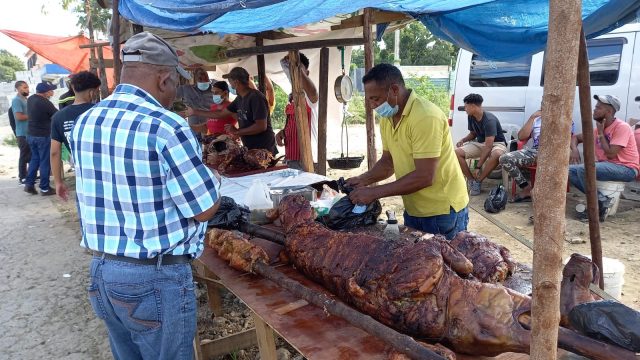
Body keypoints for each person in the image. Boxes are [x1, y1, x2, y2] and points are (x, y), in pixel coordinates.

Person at [70, 32, 220, 359]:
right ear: (164, 79)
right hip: (154, 277)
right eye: (175, 85)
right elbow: (205, 208)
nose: (174, 94)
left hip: (104, 270)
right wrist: (214, 178)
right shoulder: (166, 125)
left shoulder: (86, 121)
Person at [347, 64, 469, 240]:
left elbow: (425, 176)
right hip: (414, 208)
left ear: (394, 90)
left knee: (446, 264)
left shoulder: (426, 117)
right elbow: (389, 163)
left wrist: (374, 192)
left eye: (376, 99)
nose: (373, 106)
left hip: (442, 211)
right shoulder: (387, 119)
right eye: (369, 100)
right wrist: (363, 179)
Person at [569, 95, 639, 221]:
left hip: (626, 168)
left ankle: (598, 206)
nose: (594, 110)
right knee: (568, 171)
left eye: (598, 108)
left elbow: (611, 154)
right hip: (609, 166)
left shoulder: (621, 127)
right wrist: (574, 150)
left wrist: (601, 134)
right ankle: (602, 201)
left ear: (609, 112)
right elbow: (575, 138)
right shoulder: (597, 130)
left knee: (583, 169)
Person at [188, 67, 277, 155]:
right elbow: (221, 114)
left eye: (230, 82)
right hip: (250, 148)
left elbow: (261, 126)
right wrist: (195, 112)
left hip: (264, 149)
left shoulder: (255, 97)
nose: (230, 85)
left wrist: (237, 132)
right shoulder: (239, 99)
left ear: (236, 82)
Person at [499, 104, 578, 202]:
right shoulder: (536, 120)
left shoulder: (566, 120)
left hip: (555, 152)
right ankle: (527, 189)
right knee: (505, 158)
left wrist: (573, 149)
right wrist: (532, 118)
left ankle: (547, 194)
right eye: (543, 103)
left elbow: (567, 140)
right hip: (535, 152)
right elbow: (521, 137)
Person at [50, 71, 101, 201]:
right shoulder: (102, 112)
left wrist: (58, 182)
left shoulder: (58, 117)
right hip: (106, 171)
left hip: (82, 176)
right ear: (93, 92)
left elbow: (54, 153)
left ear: (73, 88)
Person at [455, 93, 508, 196]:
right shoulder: (471, 117)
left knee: (496, 154)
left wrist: (478, 167)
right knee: (456, 153)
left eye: (466, 106)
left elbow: (488, 146)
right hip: (481, 143)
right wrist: (463, 140)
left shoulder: (489, 120)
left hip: (496, 144)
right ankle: (471, 181)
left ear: (473, 106)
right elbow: (473, 133)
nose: (465, 109)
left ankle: (478, 181)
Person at [280, 52, 319, 162]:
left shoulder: (310, 96)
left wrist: (297, 66)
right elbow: (291, 122)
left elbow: (313, 92)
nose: (295, 74)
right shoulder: (292, 97)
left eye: (298, 70)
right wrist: (283, 132)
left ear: (307, 72)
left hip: (307, 160)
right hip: (290, 158)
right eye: (292, 70)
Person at [24, 81, 58, 196]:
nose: (52, 92)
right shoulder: (45, 102)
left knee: (35, 159)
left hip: (31, 134)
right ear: (46, 92)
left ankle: (29, 184)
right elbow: (56, 116)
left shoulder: (31, 99)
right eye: (51, 90)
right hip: (43, 136)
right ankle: (44, 188)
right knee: (44, 161)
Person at [276, 93, 312, 170]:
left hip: (301, 159)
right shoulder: (290, 107)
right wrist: (281, 133)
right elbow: (291, 126)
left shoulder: (307, 104)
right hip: (290, 155)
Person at [177, 67, 215, 134]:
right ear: (195, 79)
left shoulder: (215, 90)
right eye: (200, 79)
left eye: (205, 78)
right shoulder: (186, 89)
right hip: (193, 125)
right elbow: (169, 94)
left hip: (210, 124)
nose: (203, 81)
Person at [11, 80, 31, 185]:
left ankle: (29, 175)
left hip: (29, 132)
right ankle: (22, 177)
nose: (27, 89)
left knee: (31, 155)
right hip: (22, 133)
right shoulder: (17, 100)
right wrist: (33, 116)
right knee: (24, 156)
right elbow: (18, 117)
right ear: (18, 89)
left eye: (27, 87)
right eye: (24, 87)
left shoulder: (26, 99)